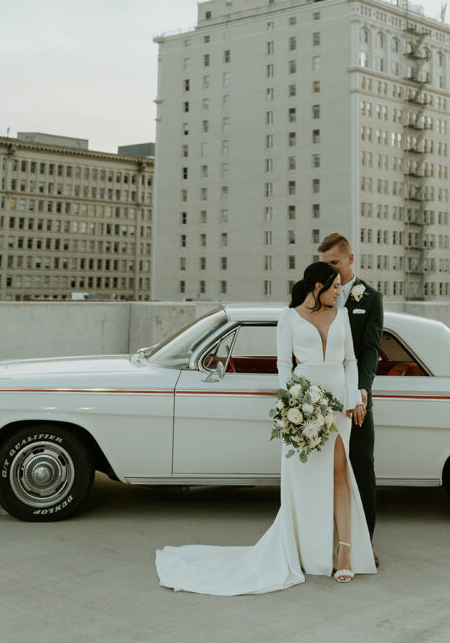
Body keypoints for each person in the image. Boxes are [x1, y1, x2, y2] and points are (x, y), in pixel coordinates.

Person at [155, 261, 377, 594]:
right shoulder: (288, 319)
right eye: (333, 286)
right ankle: (306, 550)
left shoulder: (342, 316)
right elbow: (284, 365)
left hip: (338, 407)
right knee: (305, 480)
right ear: (317, 287)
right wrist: (292, 407)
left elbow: (351, 362)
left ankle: (344, 551)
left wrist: (352, 398)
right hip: (304, 402)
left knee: (339, 473)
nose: (338, 291)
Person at [318, 232, 383, 565]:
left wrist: (363, 390)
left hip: (357, 396)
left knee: (361, 467)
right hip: (319, 397)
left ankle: (363, 544)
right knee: (322, 469)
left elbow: (371, 350)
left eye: (334, 263)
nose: (329, 270)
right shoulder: (314, 293)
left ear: (350, 259)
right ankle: (324, 543)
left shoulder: (370, 298)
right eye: (324, 264)